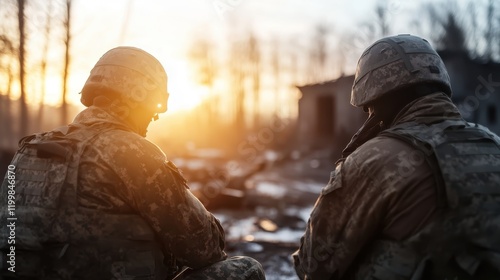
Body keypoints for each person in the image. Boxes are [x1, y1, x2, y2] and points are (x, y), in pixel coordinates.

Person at [0, 46, 265, 280]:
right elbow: (203, 248)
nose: (152, 120)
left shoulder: (28, 149)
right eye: (152, 111)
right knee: (246, 269)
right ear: (139, 98)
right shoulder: (130, 150)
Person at [292, 34, 500, 279]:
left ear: (378, 100)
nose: (368, 115)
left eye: (368, 108)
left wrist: (349, 161)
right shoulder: (494, 145)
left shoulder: (374, 158)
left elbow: (313, 265)